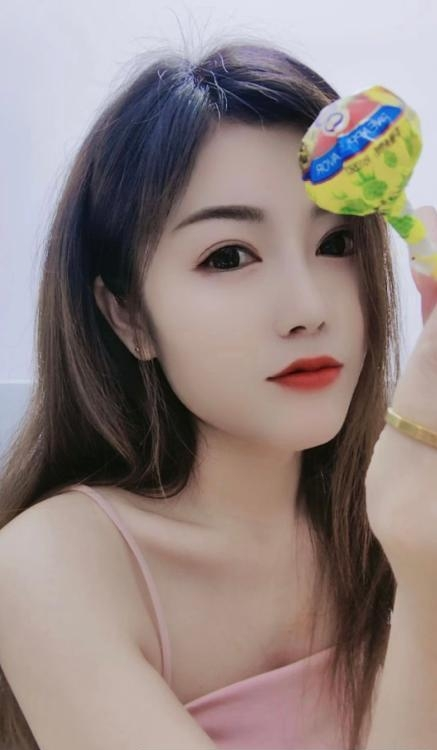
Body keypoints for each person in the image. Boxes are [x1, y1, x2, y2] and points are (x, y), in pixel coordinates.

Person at [1, 37, 436, 750]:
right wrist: (425, 585)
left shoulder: (392, 512)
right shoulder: (53, 565)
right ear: (127, 315)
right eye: (228, 256)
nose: (307, 309)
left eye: (335, 245)